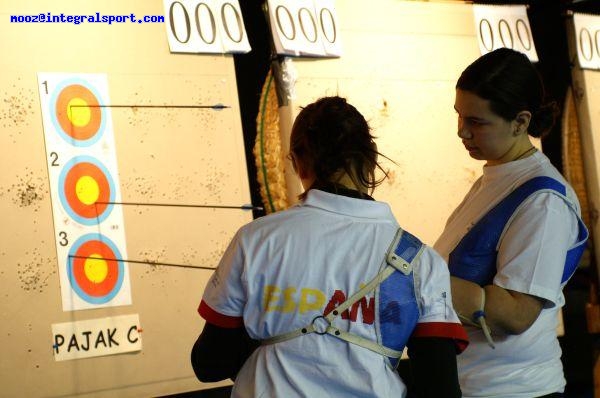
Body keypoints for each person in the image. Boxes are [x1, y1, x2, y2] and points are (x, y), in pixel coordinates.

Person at [191, 96, 468, 397]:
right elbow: (440, 389)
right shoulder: (420, 261)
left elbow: (209, 364)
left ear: (297, 161)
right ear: (372, 156)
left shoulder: (257, 240)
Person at [434, 48, 589, 398]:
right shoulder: (497, 177)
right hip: (477, 385)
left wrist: (419, 273)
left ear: (520, 122)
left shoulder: (544, 201)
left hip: (515, 390)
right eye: (459, 116)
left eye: (476, 122)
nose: (462, 132)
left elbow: (517, 313)